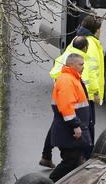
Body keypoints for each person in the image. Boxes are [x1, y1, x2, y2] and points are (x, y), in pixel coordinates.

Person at [40, 35, 99, 168]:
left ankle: (46, 155)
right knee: (71, 157)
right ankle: (84, 158)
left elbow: (54, 73)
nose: (83, 67)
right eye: (81, 65)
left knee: (57, 127)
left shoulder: (65, 56)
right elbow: (92, 78)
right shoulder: (81, 62)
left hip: (68, 99)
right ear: (85, 48)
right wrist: (95, 93)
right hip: (75, 101)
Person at [49, 53, 92, 182]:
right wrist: (75, 126)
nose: (83, 67)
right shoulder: (67, 80)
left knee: (74, 161)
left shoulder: (72, 78)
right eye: (81, 64)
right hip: (68, 131)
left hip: (69, 130)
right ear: (72, 65)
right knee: (70, 161)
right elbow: (67, 107)